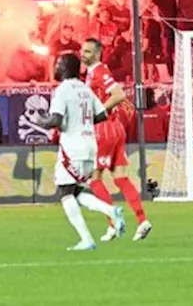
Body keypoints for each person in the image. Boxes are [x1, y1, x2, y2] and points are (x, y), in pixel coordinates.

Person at [37, 53, 126, 250]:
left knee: (65, 193)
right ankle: (111, 211)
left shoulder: (63, 90)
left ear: (66, 68)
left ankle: (86, 239)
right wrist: (83, 123)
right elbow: (102, 114)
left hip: (73, 147)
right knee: (75, 190)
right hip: (90, 145)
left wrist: (40, 121)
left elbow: (55, 120)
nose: (56, 67)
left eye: (59, 64)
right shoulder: (85, 89)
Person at [81, 39, 152, 241]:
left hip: (103, 130)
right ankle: (142, 221)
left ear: (97, 53)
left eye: (87, 52)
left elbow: (118, 94)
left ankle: (113, 225)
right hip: (115, 128)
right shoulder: (94, 72)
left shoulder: (99, 71)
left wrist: (99, 113)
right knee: (120, 178)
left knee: (94, 179)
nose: (83, 54)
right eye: (82, 50)